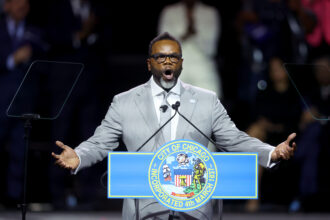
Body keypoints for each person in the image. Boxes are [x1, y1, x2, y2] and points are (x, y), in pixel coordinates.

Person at [52, 32, 297, 220]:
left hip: (194, 209)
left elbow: (233, 139)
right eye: (160, 57)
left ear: (181, 63)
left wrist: (270, 152)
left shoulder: (206, 100)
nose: (167, 62)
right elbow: (101, 141)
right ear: (149, 63)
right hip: (144, 209)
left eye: (173, 57)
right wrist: (79, 156)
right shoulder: (124, 102)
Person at [0, 0, 46, 207]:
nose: (23, 6)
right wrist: (12, 59)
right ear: (7, 5)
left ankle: (14, 198)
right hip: (2, 98)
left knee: (20, 150)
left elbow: (44, 56)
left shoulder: (34, 30)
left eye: (26, 3)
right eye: (17, 2)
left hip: (24, 101)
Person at [158, 0, 222, 98]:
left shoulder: (210, 12)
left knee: (209, 103)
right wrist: (185, 35)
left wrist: (194, 31)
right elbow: (163, 45)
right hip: (174, 65)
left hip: (202, 66)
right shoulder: (169, 12)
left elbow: (211, 48)